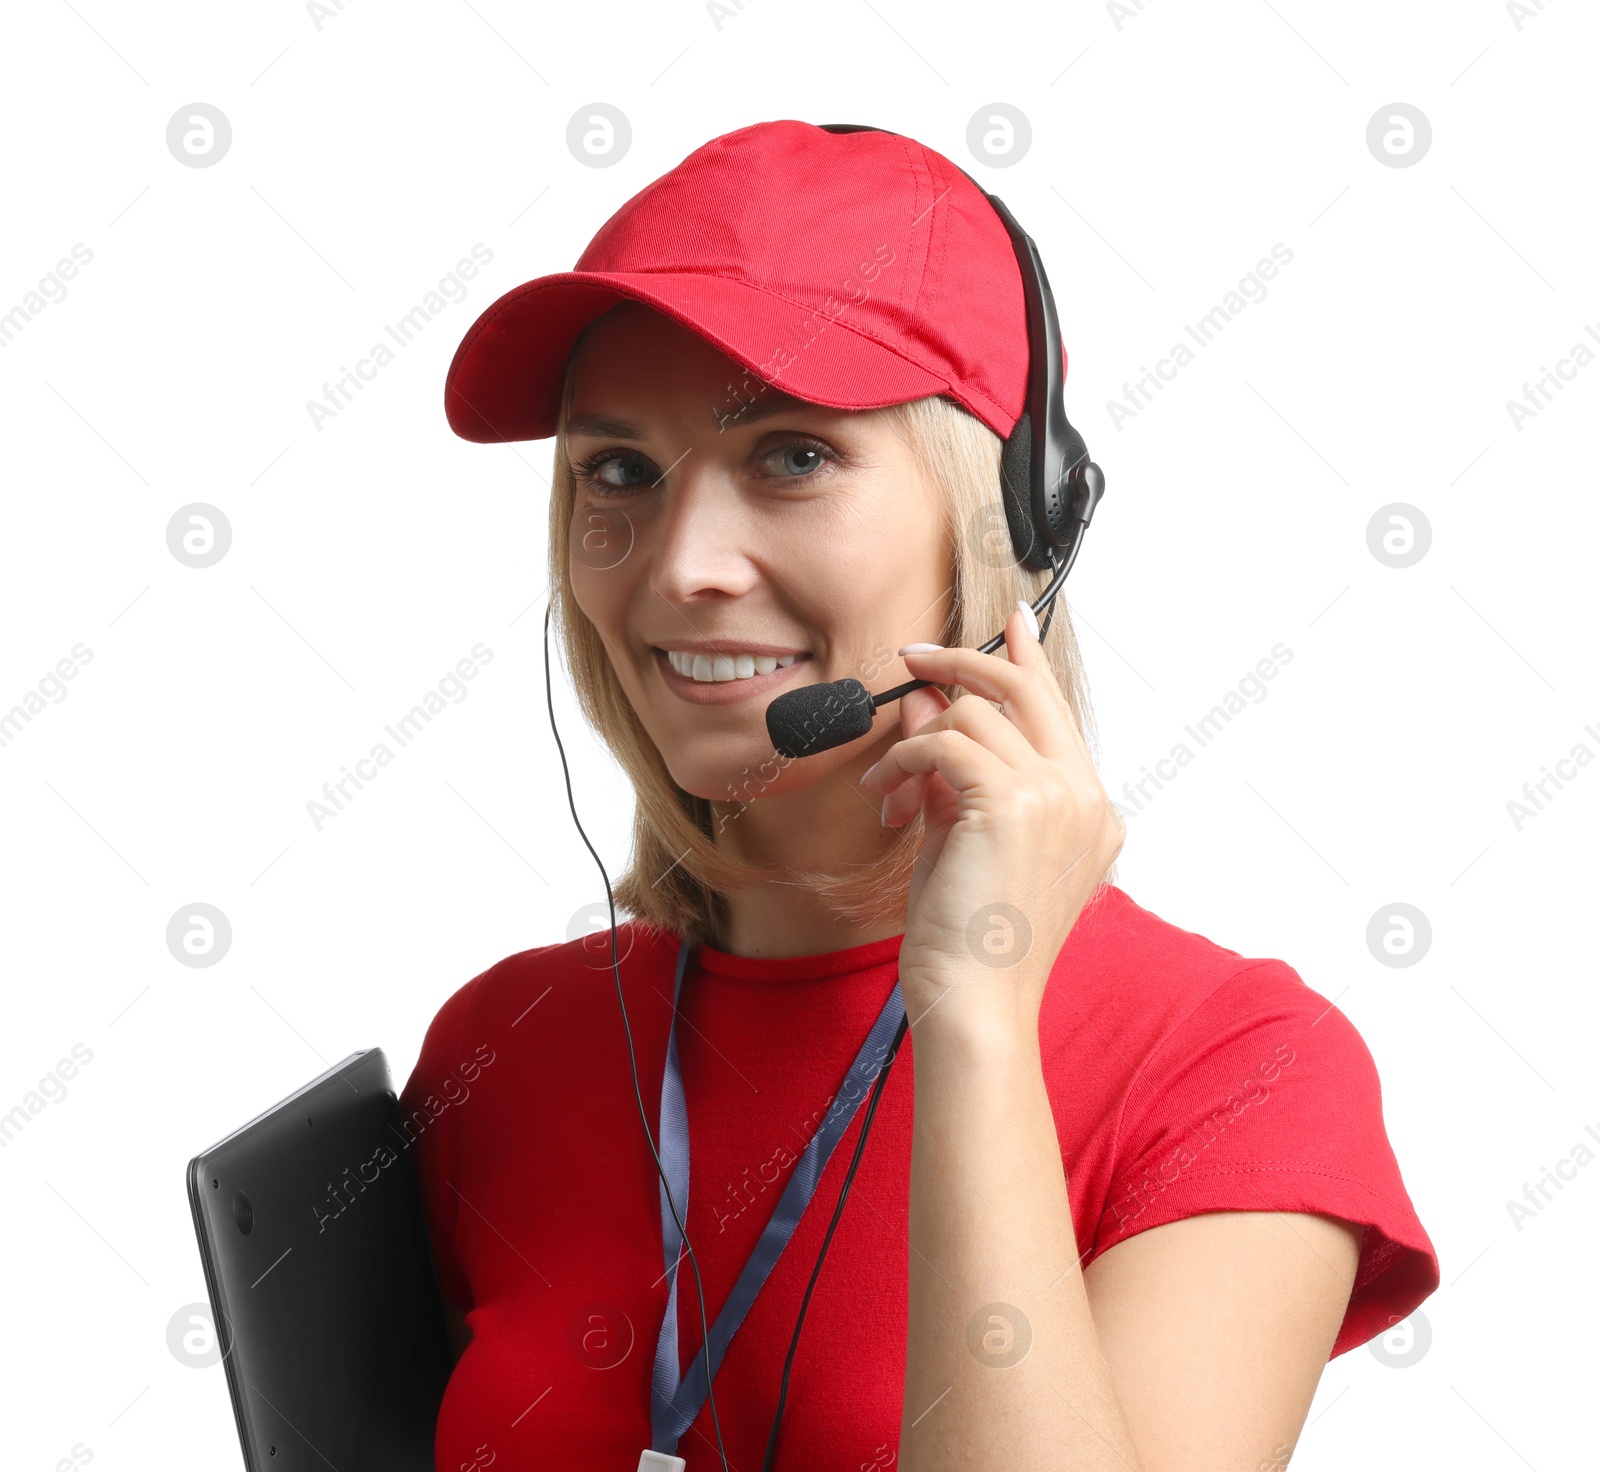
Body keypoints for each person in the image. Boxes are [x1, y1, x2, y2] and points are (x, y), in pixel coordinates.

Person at [401, 119, 1438, 1472]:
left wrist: (979, 1021)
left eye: (793, 456)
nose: (683, 564)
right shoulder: (503, 1046)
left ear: (1014, 519)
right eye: (618, 472)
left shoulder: (1232, 1072)